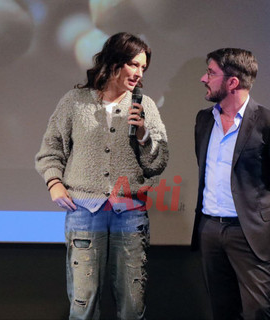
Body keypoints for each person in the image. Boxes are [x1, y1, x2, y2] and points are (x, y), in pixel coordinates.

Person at [35, 32, 168, 320]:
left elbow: (158, 163)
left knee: (132, 305)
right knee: (84, 303)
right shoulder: (75, 101)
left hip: (130, 213)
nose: (138, 73)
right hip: (84, 211)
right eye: (134, 64)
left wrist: (145, 135)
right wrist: (54, 182)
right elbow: (51, 148)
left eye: (143, 68)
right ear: (114, 61)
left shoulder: (144, 106)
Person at [191, 48, 270, 319]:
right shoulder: (204, 120)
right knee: (222, 310)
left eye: (211, 73)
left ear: (232, 82)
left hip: (249, 233)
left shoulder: (266, 122)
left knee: (258, 310)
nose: (204, 78)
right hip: (210, 229)